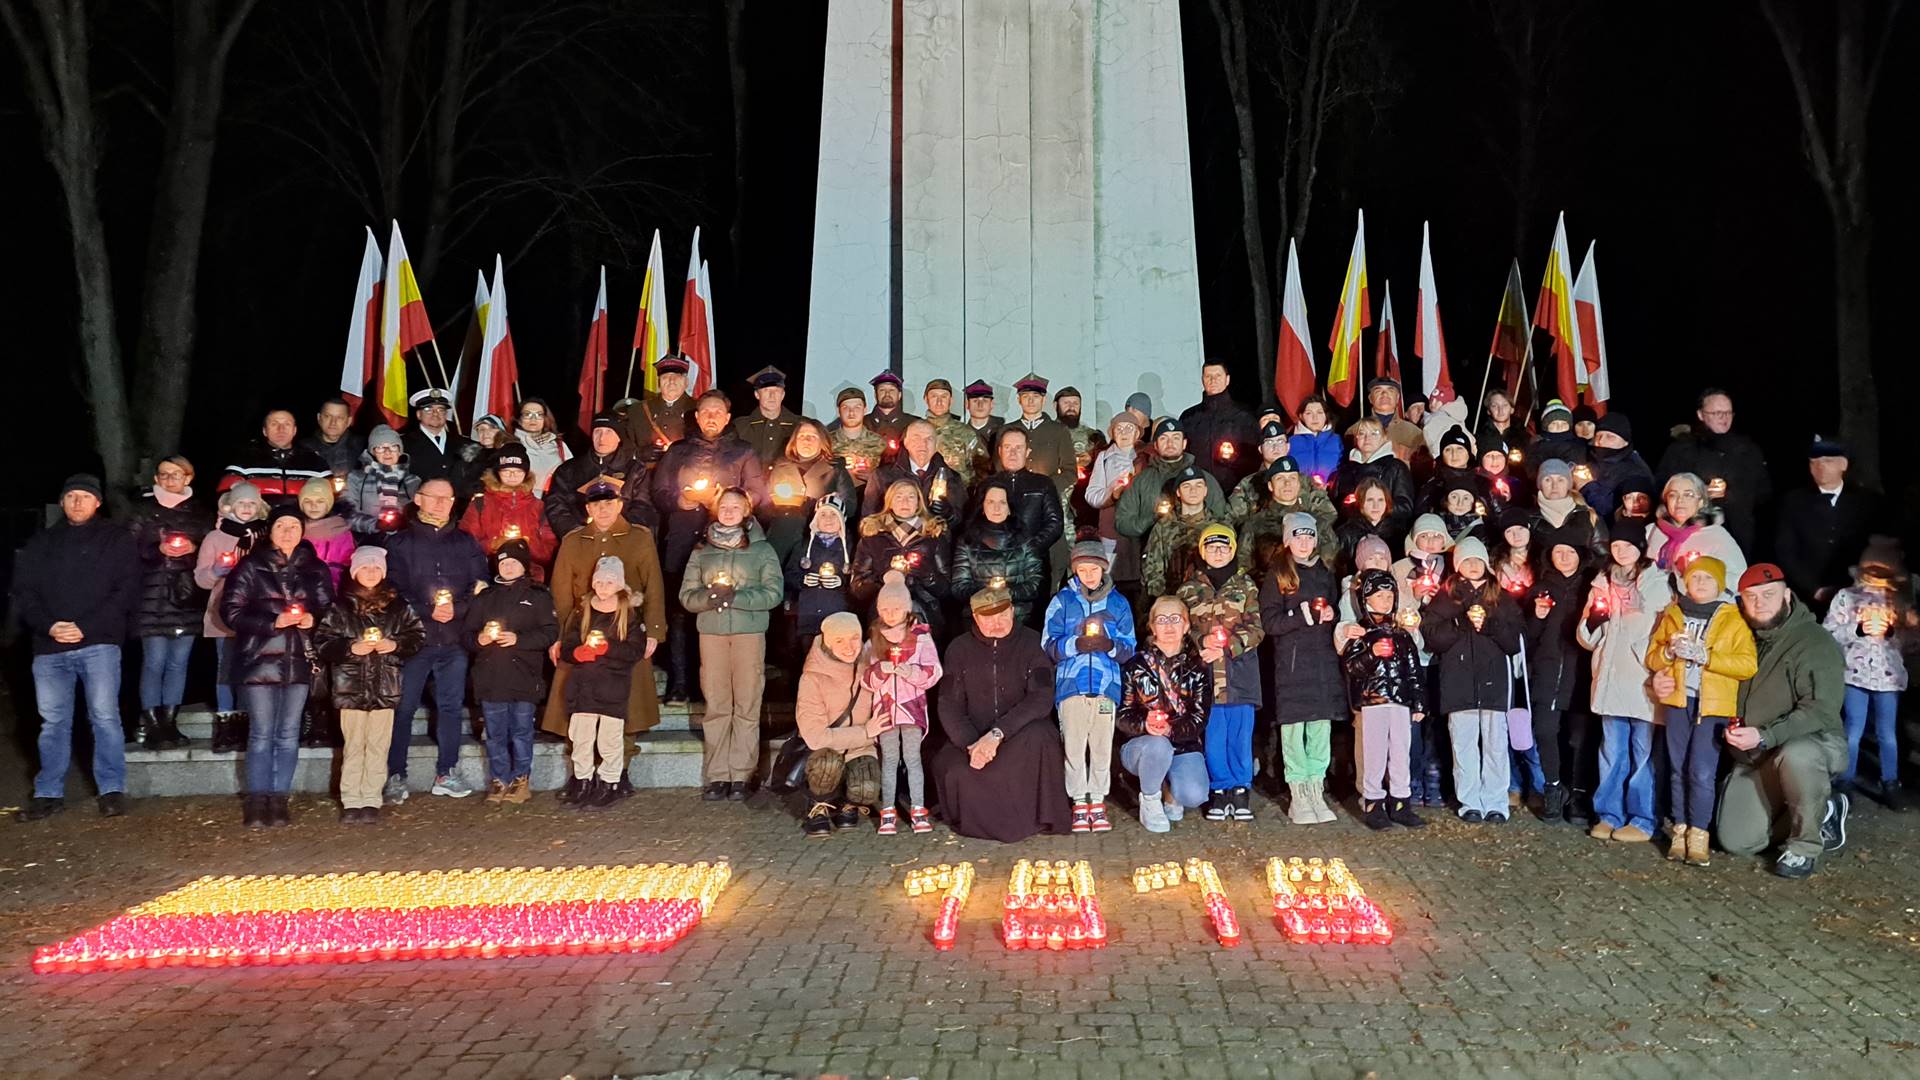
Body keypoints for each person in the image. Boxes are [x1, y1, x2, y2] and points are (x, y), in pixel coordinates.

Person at [13, 475, 140, 822]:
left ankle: (111, 789)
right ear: (62, 502)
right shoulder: (42, 542)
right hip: (50, 647)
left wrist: (87, 626)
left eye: (85, 496)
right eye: (71, 496)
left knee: (104, 717)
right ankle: (48, 793)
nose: (78, 502)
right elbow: (25, 592)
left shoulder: (116, 539)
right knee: (53, 722)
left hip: (99, 643)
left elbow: (126, 590)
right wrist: (49, 626)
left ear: (98, 502)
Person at [1718, 564, 1850, 879]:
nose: (1760, 602)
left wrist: (1765, 735)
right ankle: (1822, 810)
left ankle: (1805, 845)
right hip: (1757, 755)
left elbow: (1821, 710)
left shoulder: (1814, 642)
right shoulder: (1741, 637)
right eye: (1751, 597)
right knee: (1737, 841)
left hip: (1811, 744)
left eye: (1769, 594)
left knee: (1798, 755)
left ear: (1787, 596)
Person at [542, 482, 667, 784]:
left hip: (624, 631)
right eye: (596, 505)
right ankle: (582, 774)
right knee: (576, 704)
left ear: (620, 505)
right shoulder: (574, 541)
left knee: (626, 703)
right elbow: (560, 592)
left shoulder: (639, 538)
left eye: (609, 503)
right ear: (588, 508)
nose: (603, 510)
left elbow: (653, 585)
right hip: (581, 632)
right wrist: (559, 636)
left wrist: (653, 630)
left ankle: (618, 772)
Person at [220, 504, 335, 828]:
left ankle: (280, 797)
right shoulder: (250, 566)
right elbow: (231, 611)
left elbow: (330, 609)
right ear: (270, 531)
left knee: (288, 732)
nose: (287, 532)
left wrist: (314, 619)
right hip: (258, 659)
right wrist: (273, 622)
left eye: (293, 526)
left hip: (299, 659)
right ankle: (257, 799)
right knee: (261, 732)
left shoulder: (315, 568)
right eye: (281, 526)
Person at [651, 390, 768, 701]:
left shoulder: (742, 451)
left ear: (727, 418)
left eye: (718, 412)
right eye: (706, 412)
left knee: (718, 607)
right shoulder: (678, 451)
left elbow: (758, 492)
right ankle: (679, 683)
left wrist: (729, 502)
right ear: (697, 417)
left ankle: (713, 687)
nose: (712, 417)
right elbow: (659, 491)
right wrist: (682, 499)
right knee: (681, 609)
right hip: (683, 538)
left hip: (727, 542)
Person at [931, 587, 1072, 841]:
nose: (996, 623)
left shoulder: (1032, 643)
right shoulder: (958, 649)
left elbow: (1041, 697)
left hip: (1019, 733)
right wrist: (973, 745)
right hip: (973, 737)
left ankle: (1031, 819)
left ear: (1012, 611)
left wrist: (998, 734)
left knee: (1041, 738)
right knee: (953, 768)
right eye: (988, 618)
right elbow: (948, 703)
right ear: (975, 618)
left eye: (1002, 615)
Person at [382, 478, 489, 802]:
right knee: (403, 708)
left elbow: (480, 583)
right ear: (418, 499)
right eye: (435, 497)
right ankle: (396, 774)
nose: (442, 503)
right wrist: (427, 609)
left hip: (454, 640)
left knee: (451, 707)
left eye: (448, 498)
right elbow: (393, 589)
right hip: (415, 640)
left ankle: (447, 771)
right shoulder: (400, 543)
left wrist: (459, 608)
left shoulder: (465, 542)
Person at [1647, 556, 1758, 866]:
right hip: (1679, 701)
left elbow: (1747, 664)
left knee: (1702, 771)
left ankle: (1699, 833)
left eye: (1708, 578)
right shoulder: (1673, 614)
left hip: (1713, 705)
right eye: (1695, 577)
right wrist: (1668, 652)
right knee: (1677, 767)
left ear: (1719, 584)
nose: (1700, 583)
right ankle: (1680, 829)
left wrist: (1707, 657)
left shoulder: (1734, 619)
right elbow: (1653, 656)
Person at [679, 488, 784, 800]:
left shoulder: (762, 550)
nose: (728, 511)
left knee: (747, 702)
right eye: (723, 506)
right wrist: (709, 597)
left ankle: (741, 774)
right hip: (712, 634)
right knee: (717, 703)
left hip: (748, 634)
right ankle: (717, 775)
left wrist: (737, 597)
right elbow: (687, 596)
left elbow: (773, 593)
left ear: (746, 511)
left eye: (735, 507)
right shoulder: (701, 550)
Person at [1576, 519, 1672, 843]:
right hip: (1610, 678)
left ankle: (1643, 818)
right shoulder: (1601, 583)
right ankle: (1609, 813)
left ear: (1640, 548)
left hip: (1642, 679)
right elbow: (1586, 639)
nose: (1622, 551)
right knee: (1612, 751)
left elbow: (1666, 632)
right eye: (1616, 545)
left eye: (1628, 545)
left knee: (1643, 753)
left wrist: (1645, 652)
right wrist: (1593, 621)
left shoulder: (1657, 584)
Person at [312, 547, 424, 825]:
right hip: (351, 687)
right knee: (354, 745)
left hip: (385, 686)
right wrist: (350, 648)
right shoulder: (340, 608)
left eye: (376, 568)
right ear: (355, 572)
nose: (371, 573)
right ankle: (352, 799)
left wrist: (395, 645)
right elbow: (323, 641)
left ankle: (372, 798)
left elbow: (417, 635)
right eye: (365, 568)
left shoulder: (398, 606)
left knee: (378, 744)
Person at [1422, 536, 1523, 823]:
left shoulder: (1501, 597)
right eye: (1467, 561)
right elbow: (1432, 637)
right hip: (1459, 682)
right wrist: (1460, 623)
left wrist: (1490, 624)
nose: (1474, 566)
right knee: (1463, 745)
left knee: (1495, 745)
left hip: (1494, 683)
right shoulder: (1447, 597)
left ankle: (1496, 801)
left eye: (1478, 560)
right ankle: (1469, 801)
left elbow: (1515, 640)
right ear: (1458, 565)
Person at [1042, 542, 1137, 833]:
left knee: (1101, 745)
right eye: (1082, 570)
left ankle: (1097, 798)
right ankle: (1078, 801)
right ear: (1075, 570)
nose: (1088, 575)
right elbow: (1048, 644)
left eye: (1093, 569)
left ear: (1103, 568)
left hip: (1106, 685)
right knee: (1073, 745)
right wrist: (1076, 644)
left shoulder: (1118, 603)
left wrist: (1109, 645)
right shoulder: (1062, 601)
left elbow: (1129, 647)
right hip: (1072, 685)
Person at [1259, 514, 1346, 825]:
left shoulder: (1325, 573)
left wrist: (1333, 614)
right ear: (1288, 541)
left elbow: (1336, 609)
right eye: (1298, 537)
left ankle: (1315, 787)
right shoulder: (1278, 575)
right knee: (1294, 728)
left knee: (1320, 726)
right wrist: (1302, 615)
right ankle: (1298, 792)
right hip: (1293, 665)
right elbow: (1270, 622)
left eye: (1310, 537)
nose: (1305, 543)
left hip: (1322, 662)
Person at [1177, 525, 1265, 822]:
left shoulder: (1245, 585)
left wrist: (1228, 648)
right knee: (1214, 735)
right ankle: (1219, 786)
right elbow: (1183, 628)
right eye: (1212, 547)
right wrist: (1201, 642)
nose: (1218, 552)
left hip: (1239, 675)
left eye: (1224, 547)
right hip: (1206, 676)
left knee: (1239, 735)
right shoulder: (1188, 589)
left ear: (1232, 551)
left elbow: (1256, 628)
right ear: (1202, 551)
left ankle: (1240, 788)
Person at [1820, 539, 1914, 809]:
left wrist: (1893, 631)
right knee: (1853, 730)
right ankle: (1845, 780)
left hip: (1888, 678)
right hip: (1855, 675)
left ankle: (1890, 782)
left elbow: (1910, 641)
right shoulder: (1847, 597)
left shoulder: (1898, 600)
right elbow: (1829, 631)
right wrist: (1858, 629)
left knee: (1887, 733)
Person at [465, 539, 559, 804]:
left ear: (524, 566)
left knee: (521, 731)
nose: (508, 567)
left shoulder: (538, 596)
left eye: (514, 562)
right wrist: (480, 639)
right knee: (495, 733)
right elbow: (467, 635)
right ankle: (499, 780)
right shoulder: (485, 597)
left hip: (524, 676)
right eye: (504, 562)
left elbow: (550, 632)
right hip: (491, 676)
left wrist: (519, 640)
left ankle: (521, 779)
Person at [559, 555, 651, 808]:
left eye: (609, 582)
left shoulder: (628, 614)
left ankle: (610, 782)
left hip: (612, 686)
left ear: (619, 584)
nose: (603, 587)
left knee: (609, 740)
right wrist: (578, 653)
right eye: (599, 582)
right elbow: (568, 645)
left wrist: (608, 648)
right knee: (581, 738)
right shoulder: (583, 611)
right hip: (583, 686)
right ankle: (583, 780)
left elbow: (635, 650)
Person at [129, 456, 207, 751]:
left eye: (176, 474)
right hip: (151, 597)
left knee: (178, 663)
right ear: (156, 479)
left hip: (186, 597)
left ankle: (170, 720)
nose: (169, 479)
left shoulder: (200, 513)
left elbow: (212, 548)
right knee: (154, 661)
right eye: (163, 474)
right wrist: (155, 549)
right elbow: (127, 550)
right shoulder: (143, 512)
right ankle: (151, 723)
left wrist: (194, 548)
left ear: (188, 477)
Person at [1116, 596, 1212, 832]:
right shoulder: (1134, 666)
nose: (1169, 626)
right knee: (1158, 746)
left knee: (1194, 794)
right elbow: (1122, 714)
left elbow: (1199, 717)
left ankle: (1170, 788)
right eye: (1161, 620)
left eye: (1175, 619)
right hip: (1143, 747)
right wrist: (1144, 724)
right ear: (1152, 627)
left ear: (1186, 626)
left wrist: (1172, 729)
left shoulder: (1198, 668)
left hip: (1182, 744)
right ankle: (1150, 799)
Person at [1341, 568, 1427, 830]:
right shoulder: (1361, 635)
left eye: (1389, 596)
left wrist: (1418, 702)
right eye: (1379, 596)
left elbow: (1414, 670)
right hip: (1373, 701)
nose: (1386, 601)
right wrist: (1372, 654)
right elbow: (1352, 667)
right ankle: (1373, 802)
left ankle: (1401, 801)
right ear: (1366, 599)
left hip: (1399, 701)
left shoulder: (1402, 635)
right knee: (1374, 754)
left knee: (1400, 752)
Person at [861, 571, 943, 834]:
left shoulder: (920, 637)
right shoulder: (874, 638)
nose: (891, 614)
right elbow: (864, 679)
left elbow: (934, 672)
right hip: (885, 710)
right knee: (889, 759)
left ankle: (918, 808)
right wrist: (880, 671)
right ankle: (888, 809)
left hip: (911, 708)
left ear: (906, 608)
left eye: (896, 609)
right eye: (885, 609)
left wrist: (911, 673)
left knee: (912, 758)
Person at [794, 612, 882, 837]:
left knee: (867, 786)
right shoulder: (812, 677)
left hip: (860, 749)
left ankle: (846, 803)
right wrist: (865, 732)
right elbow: (815, 737)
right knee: (827, 764)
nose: (849, 647)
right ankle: (818, 804)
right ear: (828, 642)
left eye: (854, 638)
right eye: (839, 641)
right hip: (825, 751)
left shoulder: (870, 667)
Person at [195, 483, 266, 751]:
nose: (246, 508)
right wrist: (217, 570)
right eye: (241, 503)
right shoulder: (215, 537)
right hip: (222, 613)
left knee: (250, 668)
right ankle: (226, 723)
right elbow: (201, 579)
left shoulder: (265, 535)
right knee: (226, 668)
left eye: (251, 503)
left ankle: (246, 721)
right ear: (230, 506)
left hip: (256, 613)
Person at [1524, 539, 1591, 822]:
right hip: (1547, 671)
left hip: (1581, 672)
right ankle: (1553, 788)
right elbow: (1527, 637)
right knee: (1545, 731)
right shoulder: (1541, 588)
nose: (1564, 557)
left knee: (1578, 738)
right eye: (1558, 552)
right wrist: (1537, 616)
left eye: (1570, 551)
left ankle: (1577, 795)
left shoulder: (1591, 586)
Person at [1655, 389, 1770, 554]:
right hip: (1694, 537)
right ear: (1701, 415)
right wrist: (1702, 493)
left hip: (1739, 535)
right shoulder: (1682, 450)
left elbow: (1763, 492)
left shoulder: (1747, 450)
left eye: (1728, 412)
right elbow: (1663, 487)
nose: (1724, 417)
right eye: (1717, 413)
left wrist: (1734, 494)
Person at [1774, 435, 1882, 607]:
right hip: (1809, 597)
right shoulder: (1794, 502)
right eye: (1814, 462)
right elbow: (1785, 551)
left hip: (1860, 595)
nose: (1820, 467)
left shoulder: (1867, 502)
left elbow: (1879, 547)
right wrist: (1813, 588)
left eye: (1828, 461)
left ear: (1843, 464)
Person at [850, 480, 951, 636]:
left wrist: (927, 576)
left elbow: (946, 589)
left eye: (911, 497)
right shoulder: (873, 536)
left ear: (918, 502)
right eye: (899, 497)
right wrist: (884, 578)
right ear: (889, 501)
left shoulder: (933, 535)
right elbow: (858, 588)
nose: (905, 502)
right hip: (884, 615)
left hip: (923, 613)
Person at [975, 427, 1066, 590]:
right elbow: (975, 524)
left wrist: (1028, 550)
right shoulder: (986, 485)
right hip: (993, 567)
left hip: (1032, 567)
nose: (1013, 453)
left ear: (1027, 452)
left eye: (1018, 448)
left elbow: (1055, 523)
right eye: (1008, 447)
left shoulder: (1043, 484)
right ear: (1000, 451)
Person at [546, 412, 655, 539]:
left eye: (609, 432)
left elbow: (643, 506)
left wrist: (619, 533)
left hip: (621, 540)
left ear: (619, 437)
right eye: (597, 431)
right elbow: (556, 505)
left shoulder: (635, 469)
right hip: (580, 540)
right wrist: (575, 533)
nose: (602, 438)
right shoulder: (569, 469)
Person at [458, 443, 559, 580]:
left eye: (518, 471)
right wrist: (492, 545)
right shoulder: (480, 504)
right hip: (488, 576)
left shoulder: (538, 507)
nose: (512, 476)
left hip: (529, 579)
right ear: (498, 473)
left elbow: (548, 551)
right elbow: (465, 544)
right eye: (506, 471)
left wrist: (526, 545)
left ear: (526, 474)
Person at [950, 480, 1046, 624]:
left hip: (1018, 617)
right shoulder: (967, 541)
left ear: (1010, 508)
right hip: (979, 617)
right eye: (990, 502)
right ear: (982, 506)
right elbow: (959, 587)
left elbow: (1035, 583)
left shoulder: (1024, 539)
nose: (997, 508)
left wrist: (1006, 592)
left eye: (1002, 502)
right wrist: (989, 592)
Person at [1646, 472, 1747, 597]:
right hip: (1656, 603)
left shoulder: (1716, 535)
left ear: (1700, 502)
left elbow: (1740, 579)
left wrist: (1702, 574)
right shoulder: (1652, 531)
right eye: (1673, 495)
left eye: (1688, 495)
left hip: (1701, 606)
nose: (1680, 500)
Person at [1085, 411, 1149, 606]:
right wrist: (1111, 495)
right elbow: (1092, 495)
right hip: (1111, 529)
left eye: (1129, 428)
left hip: (1139, 530)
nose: (1124, 432)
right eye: (1119, 428)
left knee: (1139, 583)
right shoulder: (1104, 457)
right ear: (1112, 433)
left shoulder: (1146, 457)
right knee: (1110, 582)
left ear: (1137, 433)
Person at [1237, 457, 1340, 572]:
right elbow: (1244, 569)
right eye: (1280, 478)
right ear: (1270, 486)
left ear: (1299, 484)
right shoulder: (1255, 525)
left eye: (1292, 478)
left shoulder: (1318, 524)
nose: (1287, 483)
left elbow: (1331, 568)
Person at [1143, 464, 1228, 599]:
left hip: (1209, 600)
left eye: (1198, 486)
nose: (1193, 491)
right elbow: (1152, 569)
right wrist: (1164, 600)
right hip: (1172, 598)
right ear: (1178, 492)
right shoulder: (1163, 526)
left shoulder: (1219, 527)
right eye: (1187, 486)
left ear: (1205, 491)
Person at [861, 418, 965, 527]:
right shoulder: (883, 476)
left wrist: (949, 514)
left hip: (936, 536)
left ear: (936, 445)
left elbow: (962, 522)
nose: (923, 444)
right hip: (894, 536)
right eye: (916, 438)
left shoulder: (951, 477)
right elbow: (869, 520)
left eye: (929, 439)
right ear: (906, 442)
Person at [786, 495, 853, 652]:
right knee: (809, 657)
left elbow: (858, 582)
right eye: (823, 514)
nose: (828, 519)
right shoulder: (803, 546)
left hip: (838, 617)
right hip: (807, 618)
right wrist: (803, 580)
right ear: (815, 519)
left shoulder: (851, 548)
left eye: (834, 514)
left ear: (842, 519)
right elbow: (788, 576)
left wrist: (842, 582)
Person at [219, 408, 330, 502]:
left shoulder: (316, 463)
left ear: (294, 430)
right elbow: (225, 498)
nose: (281, 429)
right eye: (274, 424)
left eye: (287, 424)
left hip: (303, 520)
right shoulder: (244, 461)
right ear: (265, 431)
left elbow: (333, 498)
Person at [1180, 359, 1259, 491]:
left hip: (1237, 492)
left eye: (1218, 376)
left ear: (1227, 380)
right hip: (1199, 492)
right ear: (1202, 380)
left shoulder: (1244, 417)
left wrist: (1234, 460)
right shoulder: (1189, 417)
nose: (1213, 380)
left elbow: (1255, 457)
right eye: (1208, 376)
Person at [341, 425, 421, 539]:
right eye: (380, 448)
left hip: (404, 539)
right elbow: (346, 513)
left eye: (393, 446)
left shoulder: (412, 481)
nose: (387, 452)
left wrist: (403, 522)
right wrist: (375, 524)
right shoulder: (356, 478)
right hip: (367, 539)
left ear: (400, 450)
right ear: (372, 451)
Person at [1331, 418, 1415, 525]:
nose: (1367, 438)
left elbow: (1405, 507)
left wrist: (1378, 507)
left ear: (1384, 437)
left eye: (1374, 433)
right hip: (1351, 529)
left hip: (1386, 530)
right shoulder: (1345, 469)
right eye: (1362, 433)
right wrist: (1348, 505)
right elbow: (1334, 505)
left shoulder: (1396, 467)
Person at [400, 388, 479, 496]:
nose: (435, 414)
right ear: (418, 414)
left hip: (459, 505)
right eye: (428, 409)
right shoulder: (403, 445)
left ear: (446, 414)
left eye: (440, 410)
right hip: (420, 504)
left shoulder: (465, 444)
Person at [1579, 413, 1654, 521]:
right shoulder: (1591, 459)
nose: (1601, 441)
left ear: (1625, 442)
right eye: (1598, 435)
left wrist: (1586, 486)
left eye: (1610, 437)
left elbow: (1611, 510)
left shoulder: (1635, 471)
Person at [627, 352, 695, 465]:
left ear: (686, 382)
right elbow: (624, 448)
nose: (671, 381)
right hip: (648, 473)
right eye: (665, 377)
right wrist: (637, 454)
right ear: (658, 383)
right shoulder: (638, 411)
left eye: (677, 376)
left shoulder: (699, 410)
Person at [296, 476, 357, 591]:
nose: (313, 506)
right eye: (307, 501)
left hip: (333, 588)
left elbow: (347, 565)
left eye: (320, 501)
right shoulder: (294, 529)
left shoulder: (341, 532)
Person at [1226, 419, 1294, 522]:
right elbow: (1229, 520)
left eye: (1280, 441)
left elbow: (1321, 515)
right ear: (1260, 449)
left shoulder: (1304, 482)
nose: (1275, 447)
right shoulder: (1247, 485)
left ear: (1288, 446)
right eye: (1269, 442)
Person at [734, 366, 802, 467]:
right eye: (766, 390)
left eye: (776, 391)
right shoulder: (739, 427)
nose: (772, 396)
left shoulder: (801, 426)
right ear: (757, 395)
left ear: (783, 395)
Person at [924, 378, 986, 487]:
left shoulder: (966, 432)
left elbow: (983, 468)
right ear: (926, 399)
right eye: (934, 396)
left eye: (944, 397)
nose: (939, 402)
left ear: (951, 400)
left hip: (959, 493)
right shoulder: (916, 430)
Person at [827, 387, 887, 494]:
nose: (851, 412)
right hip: (834, 497)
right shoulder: (826, 442)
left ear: (865, 409)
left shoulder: (879, 443)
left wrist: (874, 477)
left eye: (857, 407)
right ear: (838, 411)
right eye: (846, 407)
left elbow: (890, 476)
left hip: (870, 498)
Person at [1354, 378, 1426, 465]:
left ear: (1397, 397)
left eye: (1390, 391)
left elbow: (1425, 465)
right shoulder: (1355, 430)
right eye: (1378, 391)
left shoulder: (1414, 433)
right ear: (1370, 398)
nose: (1384, 394)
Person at [1334, 478, 1409, 561]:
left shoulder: (1398, 532)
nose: (1376, 506)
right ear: (1360, 502)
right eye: (1370, 500)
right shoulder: (1346, 534)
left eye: (1380, 500)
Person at [510, 398, 572, 493]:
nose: (533, 419)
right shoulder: (510, 445)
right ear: (519, 419)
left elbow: (572, 474)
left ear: (545, 419)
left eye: (539, 415)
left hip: (555, 499)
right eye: (527, 414)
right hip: (523, 499)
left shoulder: (559, 445)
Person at [300, 397, 366, 478]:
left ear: (348, 421)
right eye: (327, 416)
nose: (333, 422)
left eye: (340, 418)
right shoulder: (303, 448)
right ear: (319, 418)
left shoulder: (362, 448)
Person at [1288, 396, 1344, 486]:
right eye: (1309, 413)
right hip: (1301, 490)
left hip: (1331, 490)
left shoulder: (1337, 440)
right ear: (1301, 416)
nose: (1315, 418)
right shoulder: (1291, 442)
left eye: (1319, 412)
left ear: (1326, 415)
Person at [1523, 400, 1588, 477]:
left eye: (1564, 423)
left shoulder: (1579, 446)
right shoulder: (1536, 447)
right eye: (1554, 423)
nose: (1559, 427)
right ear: (1546, 426)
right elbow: (1531, 473)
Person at [865, 370, 920, 447]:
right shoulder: (863, 423)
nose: (887, 394)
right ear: (875, 394)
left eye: (892, 390)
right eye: (882, 390)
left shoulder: (915, 424)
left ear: (899, 395)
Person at [961, 379, 1005, 468]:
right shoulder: (960, 433)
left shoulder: (1003, 433)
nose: (980, 405)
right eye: (975, 401)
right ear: (967, 404)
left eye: (985, 401)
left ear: (991, 404)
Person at [1473, 388, 1522, 457]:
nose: (1500, 410)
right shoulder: (1478, 439)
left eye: (1505, 405)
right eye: (1494, 406)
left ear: (1512, 409)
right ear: (1488, 411)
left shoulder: (1523, 438)